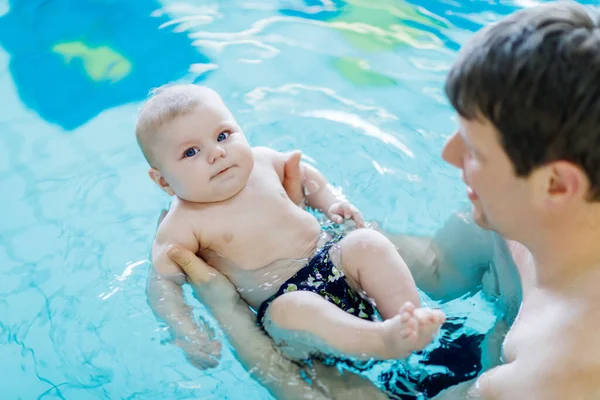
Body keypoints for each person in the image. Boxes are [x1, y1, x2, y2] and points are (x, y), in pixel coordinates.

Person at [162, 1, 600, 398]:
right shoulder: (509, 229)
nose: (448, 155)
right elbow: (435, 266)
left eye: (474, 148)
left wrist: (229, 311)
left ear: (558, 185)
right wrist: (312, 231)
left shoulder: (556, 378)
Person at [138, 84, 446, 368]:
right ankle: (381, 340)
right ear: (163, 180)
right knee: (295, 308)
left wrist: (331, 201)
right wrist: (186, 331)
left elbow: (306, 176)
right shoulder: (183, 223)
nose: (217, 153)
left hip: (331, 259)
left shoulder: (262, 161)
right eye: (191, 152)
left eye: (223, 135)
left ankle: (410, 322)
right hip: (281, 303)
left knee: (368, 242)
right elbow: (163, 283)